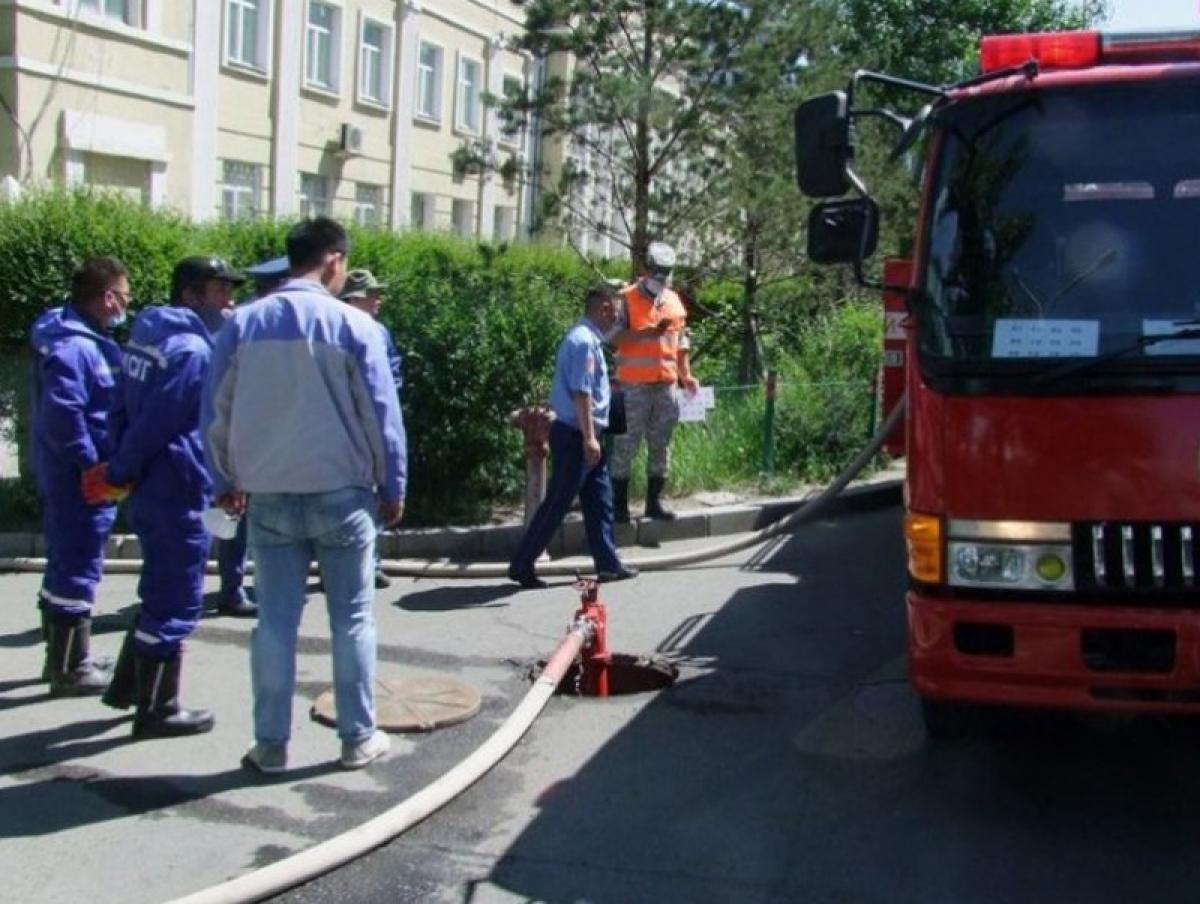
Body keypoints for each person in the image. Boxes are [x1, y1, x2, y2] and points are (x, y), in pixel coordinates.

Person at [203, 217, 407, 773]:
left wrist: (225, 481)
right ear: (335, 260)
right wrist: (393, 485)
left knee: (274, 622)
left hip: (267, 496)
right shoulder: (356, 328)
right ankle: (357, 738)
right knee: (353, 619)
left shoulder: (240, 326)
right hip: (342, 494)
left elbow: (215, 413)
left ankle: (270, 745)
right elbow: (382, 418)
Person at [91, 256, 247, 737]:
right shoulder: (193, 353)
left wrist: (122, 469)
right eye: (220, 292)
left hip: (150, 485)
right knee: (176, 597)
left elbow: (122, 407)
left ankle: (128, 687)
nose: (230, 301)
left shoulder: (147, 335)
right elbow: (163, 422)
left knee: (157, 588)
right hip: (177, 486)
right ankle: (157, 710)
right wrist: (120, 470)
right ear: (191, 296)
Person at [29, 256, 129, 696]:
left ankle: (61, 658)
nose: (128, 305)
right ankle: (70, 668)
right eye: (125, 296)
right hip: (79, 477)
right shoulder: (76, 347)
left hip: (71, 472)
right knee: (77, 567)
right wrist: (92, 465)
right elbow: (65, 414)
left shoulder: (78, 336)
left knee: (66, 562)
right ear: (107, 298)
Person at [507, 285, 638, 589]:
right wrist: (590, 438)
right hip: (577, 434)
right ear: (604, 308)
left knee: (600, 500)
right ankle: (522, 564)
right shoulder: (582, 342)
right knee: (558, 502)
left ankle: (608, 563)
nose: (619, 316)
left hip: (587, 433)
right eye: (617, 309)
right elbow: (582, 392)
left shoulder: (589, 340)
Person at [214, 255, 291, 617]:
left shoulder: (247, 322)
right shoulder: (250, 325)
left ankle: (239, 584)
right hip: (250, 437)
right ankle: (233, 587)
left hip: (258, 436)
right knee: (240, 517)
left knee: (246, 516)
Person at [610, 241, 699, 522]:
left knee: (661, 444)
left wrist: (687, 376)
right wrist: (643, 334)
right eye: (658, 271)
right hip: (633, 387)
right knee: (626, 445)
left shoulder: (673, 301)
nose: (663, 277)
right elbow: (611, 338)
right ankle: (619, 507)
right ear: (646, 269)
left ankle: (654, 503)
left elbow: (680, 344)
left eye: (667, 272)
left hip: (666, 386)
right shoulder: (625, 299)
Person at [339, 268, 403, 591]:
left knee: (375, 495)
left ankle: (371, 563)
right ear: (355, 298)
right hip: (347, 428)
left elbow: (394, 370)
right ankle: (335, 568)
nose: (378, 299)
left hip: (374, 424)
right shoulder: (338, 327)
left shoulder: (380, 331)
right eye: (373, 294)